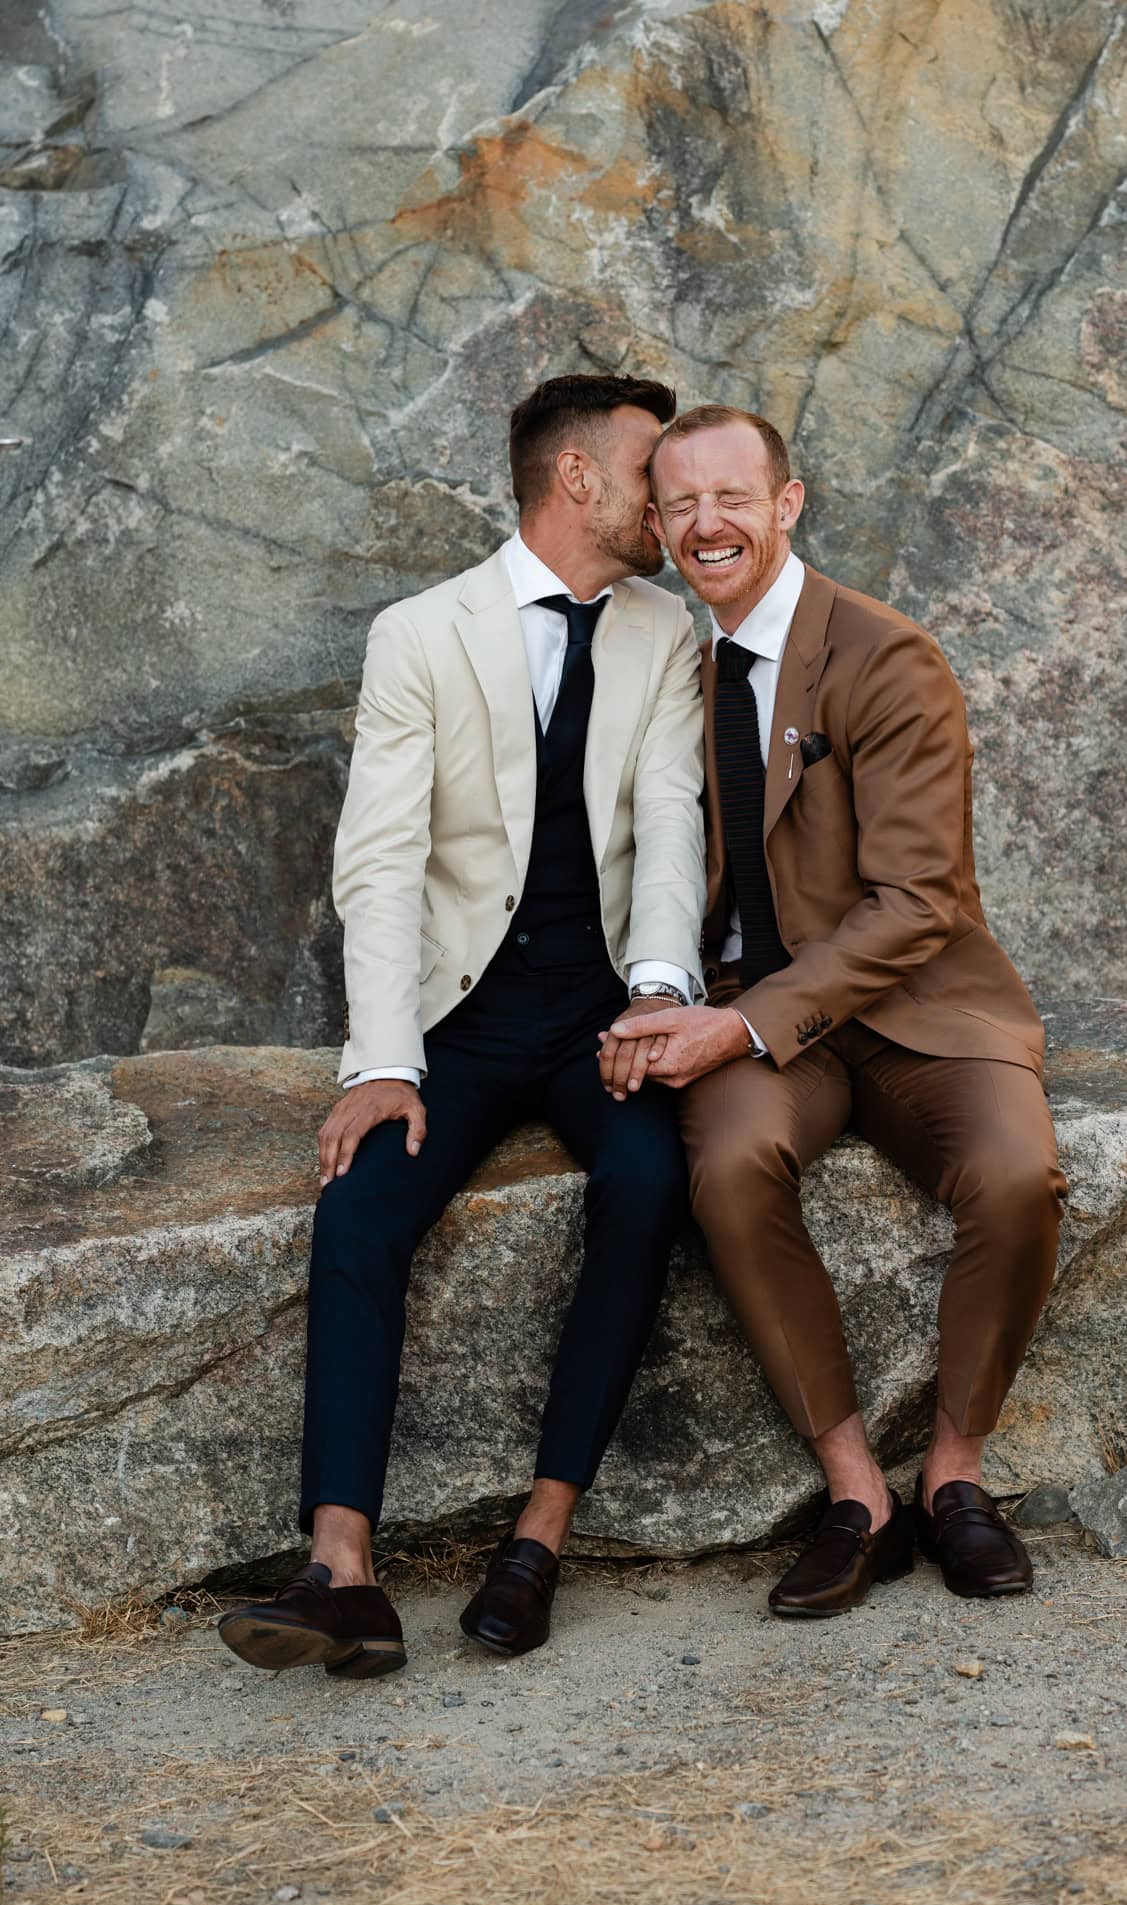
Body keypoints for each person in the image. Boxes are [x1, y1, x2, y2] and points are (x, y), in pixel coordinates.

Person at [219, 374, 706, 1676]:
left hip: (595, 1009)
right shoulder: (421, 635)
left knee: (652, 1175)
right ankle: (343, 1572)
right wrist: (382, 1064)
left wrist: (660, 988)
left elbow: (670, 825)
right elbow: (377, 865)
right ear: (580, 481)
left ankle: (539, 1536)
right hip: (460, 1019)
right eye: (652, 468)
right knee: (359, 1206)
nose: (672, 497)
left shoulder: (667, 633)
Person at [607, 403, 1067, 1616]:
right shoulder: (661, 660)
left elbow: (919, 902)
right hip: (753, 1007)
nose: (708, 524)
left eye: (732, 497)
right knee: (729, 1164)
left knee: (1017, 1176)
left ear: (787, 502)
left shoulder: (883, 654)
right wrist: (667, 999)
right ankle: (858, 1492)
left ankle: (956, 1477)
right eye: (681, 504)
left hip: (914, 1003)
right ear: (654, 524)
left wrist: (739, 1025)